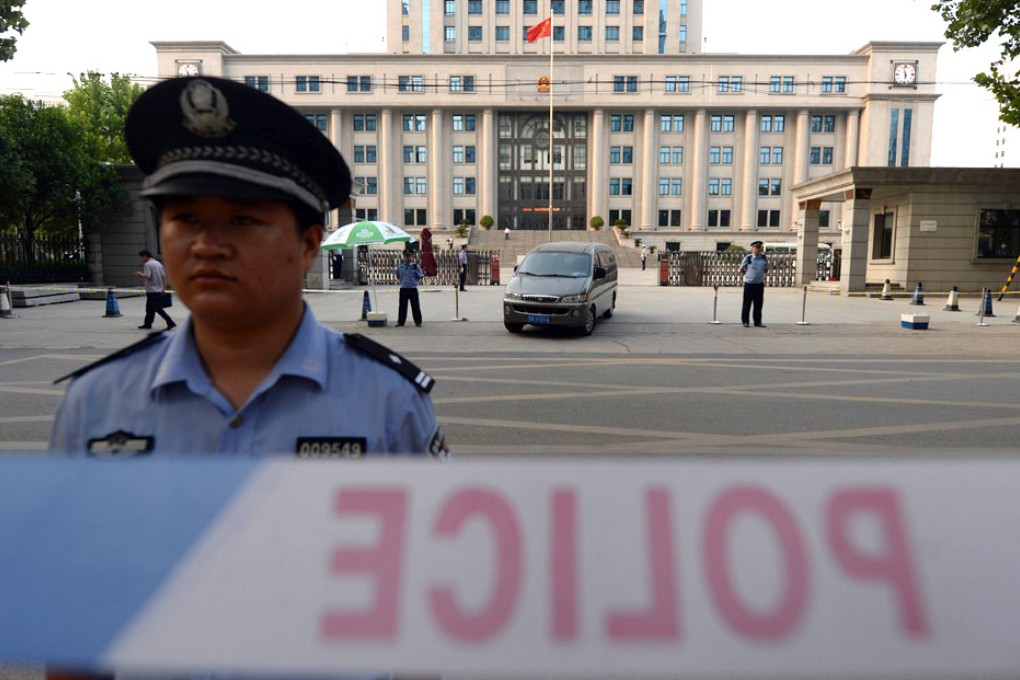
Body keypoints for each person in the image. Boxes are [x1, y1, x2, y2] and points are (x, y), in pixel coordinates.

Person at [50, 75, 448, 459]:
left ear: (309, 244)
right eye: (185, 218)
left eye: (243, 220)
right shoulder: (96, 402)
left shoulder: (389, 401)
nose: (206, 245)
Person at [135, 249, 176, 330]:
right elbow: (163, 276)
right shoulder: (158, 264)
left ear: (145, 256)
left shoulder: (148, 264)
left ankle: (170, 322)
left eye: (141, 257)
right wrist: (163, 288)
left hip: (152, 290)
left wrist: (140, 274)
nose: (141, 259)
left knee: (157, 308)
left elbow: (148, 276)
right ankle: (147, 324)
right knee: (149, 308)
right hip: (158, 289)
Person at [739, 240, 770, 327]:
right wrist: (747, 275)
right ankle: (745, 321)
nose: (758, 249)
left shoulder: (764, 258)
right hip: (749, 284)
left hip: (759, 284)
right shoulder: (748, 258)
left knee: (758, 304)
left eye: (759, 248)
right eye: (756, 247)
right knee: (747, 303)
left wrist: (760, 274)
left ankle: (757, 321)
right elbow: (742, 269)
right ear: (752, 248)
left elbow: (766, 268)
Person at [395, 250, 424, 327]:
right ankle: (401, 322)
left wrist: (414, 280)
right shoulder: (400, 267)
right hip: (403, 288)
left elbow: (420, 276)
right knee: (402, 306)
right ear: (403, 257)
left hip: (413, 288)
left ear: (411, 257)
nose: (407, 258)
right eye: (406, 256)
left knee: (415, 306)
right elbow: (398, 276)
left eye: (409, 256)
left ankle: (418, 322)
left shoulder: (415, 266)